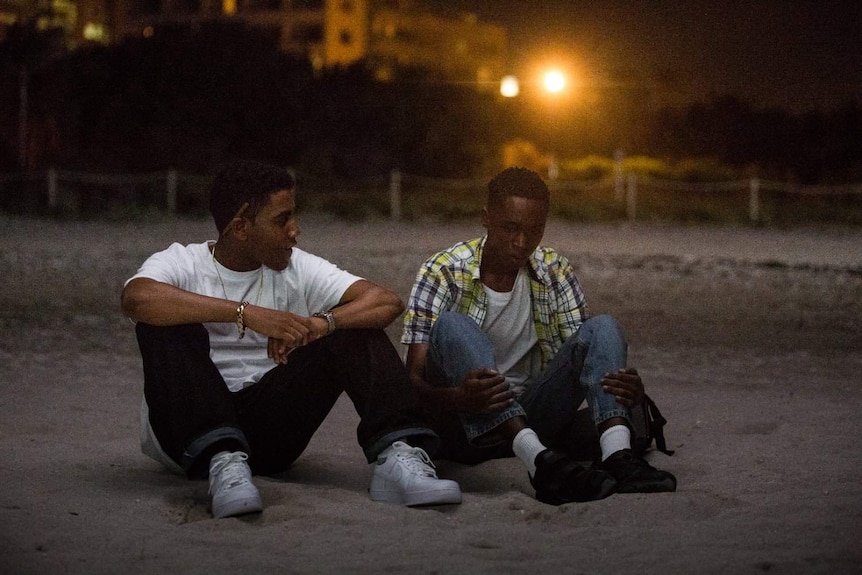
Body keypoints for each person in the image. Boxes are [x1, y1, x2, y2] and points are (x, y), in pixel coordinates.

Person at [121, 160, 461, 519]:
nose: (295, 231)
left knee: (351, 325)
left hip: (267, 435)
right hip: (186, 436)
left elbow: (387, 300)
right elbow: (137, 299)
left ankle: (398, 455)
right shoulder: (182, 262)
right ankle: (222, 464)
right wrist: (248, 313)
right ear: (240, 228)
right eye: (282, 220)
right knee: (161, 321)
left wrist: (319, 325)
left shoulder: (296, 266)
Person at [401, 166, 676, 505]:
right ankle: (540, 462)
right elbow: (411, 383)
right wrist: (459, 398)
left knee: (604, 326)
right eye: (510, 228)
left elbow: (586, 355)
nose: (522, 242)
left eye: (534, 231)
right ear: (486, 218)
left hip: (534, 416)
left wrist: (623, 389)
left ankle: (618, 458)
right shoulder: (443, 271)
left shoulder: (554, 269)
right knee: (453, 326)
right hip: (463, 425)